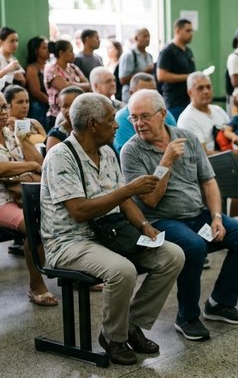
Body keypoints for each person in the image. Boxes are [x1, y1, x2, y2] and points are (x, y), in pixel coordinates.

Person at [40, 93, 184, 365]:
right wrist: (128, 189)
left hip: (108, 233)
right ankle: (113, 337)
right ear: (93, 124)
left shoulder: (106, 152)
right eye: (110, 120)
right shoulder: (61, 156)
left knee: (172, 255)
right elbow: (79, 211)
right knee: (122, 270)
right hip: (69, 241)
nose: (118, 124)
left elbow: (124, 200)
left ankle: (131, 324)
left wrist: (144, 226)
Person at [120, 89, 238, 342]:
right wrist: (166, 161)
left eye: (145, 116)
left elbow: (208, 181)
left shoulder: (188, 138)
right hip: (160, 221)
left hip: (197, 214)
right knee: (194, 246)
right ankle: (187, 316)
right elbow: (150, 200)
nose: (139, 123)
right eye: (134, 118)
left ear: (162, 114)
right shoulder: (131, 151)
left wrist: (217, 217)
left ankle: (220, 303)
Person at [0, 92, 55, 306]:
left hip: (23, 195)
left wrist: (23, 139)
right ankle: (36, 286)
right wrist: (28, 166)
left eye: (4, 107)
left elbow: (38, 162)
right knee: (35, 225)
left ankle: (76, 271)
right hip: (2, 201)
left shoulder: (10, 134)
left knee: (66, 214)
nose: (3, 113)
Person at [176, 72, 238, 216]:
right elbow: (202, 154)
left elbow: (234, 136)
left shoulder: (218, 110)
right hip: (205, 169)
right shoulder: (187, 119)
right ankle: (234, 220)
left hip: (230, 161)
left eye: (208, 87)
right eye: (200, 88)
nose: (206, 91)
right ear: (190, 92)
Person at [113, 73, 176, 154]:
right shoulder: (120, 120)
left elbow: (176, 142)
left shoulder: (163, 112)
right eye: (134, 118)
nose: (149, 96)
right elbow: (130, 155)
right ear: (131, 93)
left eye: (153, 92)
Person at [44, 40, 90, 130]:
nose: (74, 54)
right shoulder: (51, 69)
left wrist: (72, 84)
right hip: (57, 114)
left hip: (77, 113)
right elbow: (66, 89)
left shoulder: (73, 67)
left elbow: (89, 85)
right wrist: (77, 85)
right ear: (61, 53)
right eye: (71, 51)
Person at [157, 18, 195, 119]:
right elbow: (161, 75)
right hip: (174, 102)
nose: (191, 34)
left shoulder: (188, 51)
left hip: (188, 100)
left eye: (192, 31)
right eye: (188, 31)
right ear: (177, 31)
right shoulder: (168, 51)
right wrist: (188, 77)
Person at [118, 28, 154, 100]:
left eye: (149, 36)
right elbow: (123, 80)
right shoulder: (129, 55)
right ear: (136, 38)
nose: (148, 39)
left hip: (146, 95)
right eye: (145, 36)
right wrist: (145, 72)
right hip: (131, 96)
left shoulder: (149, 56)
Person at [24, 36, 50, 128]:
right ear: (36, 51)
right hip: (40, 105)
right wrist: (51, 102)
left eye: (47, 47)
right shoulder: (32, 68)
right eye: (44, 48)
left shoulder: (50, 66)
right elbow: (35, 92)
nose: (48, 50)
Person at [0, 27, 26, 91]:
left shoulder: (13, 59)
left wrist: (22, 79)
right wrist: (7, 69)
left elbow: (22, 83)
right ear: (1, 42)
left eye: (16, 41)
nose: (15, 44)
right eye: (12, 41)